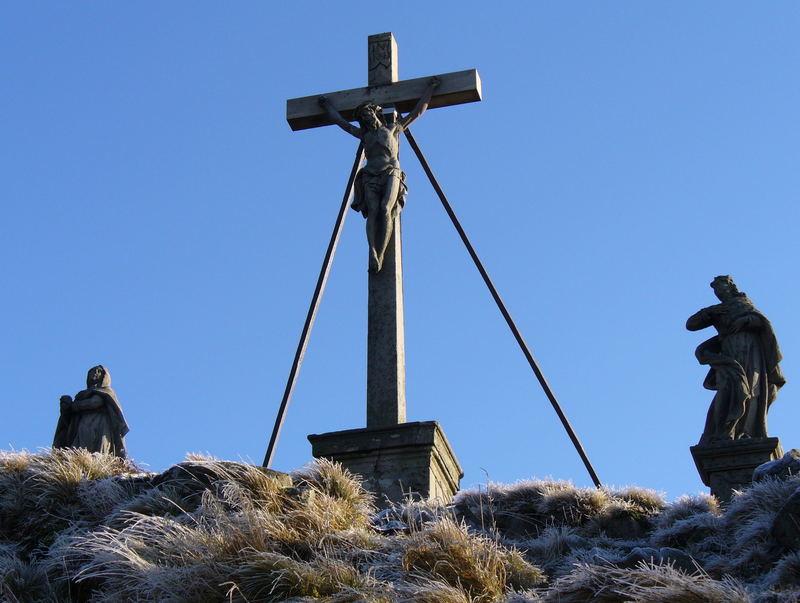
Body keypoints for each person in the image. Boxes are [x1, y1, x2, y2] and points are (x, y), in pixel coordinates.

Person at [319, 77, 440, 272]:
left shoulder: (393, 129)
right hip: (370, 175)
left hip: (391, 172)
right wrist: (327, 107)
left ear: (376, 114)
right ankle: (372, 251)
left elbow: (417, 112)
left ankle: (380, 252)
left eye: (369, 115)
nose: (367, 119)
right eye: (364, 117)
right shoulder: (364, 135)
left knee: (385, 208)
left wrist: (430, 90)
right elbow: (340, 122)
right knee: (373, 210)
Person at [686, 276, 785, 445]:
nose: (717, 292)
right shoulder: (717, 310)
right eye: (715, 290)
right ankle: (723, 431)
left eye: (720, 287)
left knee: (753, 391)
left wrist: (746, 320)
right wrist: (708, 313)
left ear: (731, 286)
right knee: (730, 389)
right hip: (730, 354)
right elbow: (691, 325)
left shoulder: (744, 303)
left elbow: (762, 323)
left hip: (751, 353)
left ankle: (748, 431)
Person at [53, 365, 129, 457]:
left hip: (100, 422)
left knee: (99, 445)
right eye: (92, 372)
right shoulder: (81, 395)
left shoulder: (106, 391)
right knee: (81, 444)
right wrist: (66, 406)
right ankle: (79, 461)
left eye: (98, 371)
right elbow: (69, 418)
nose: (95, 373)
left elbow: (95, 402)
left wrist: (76, 406)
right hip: (84, 422)